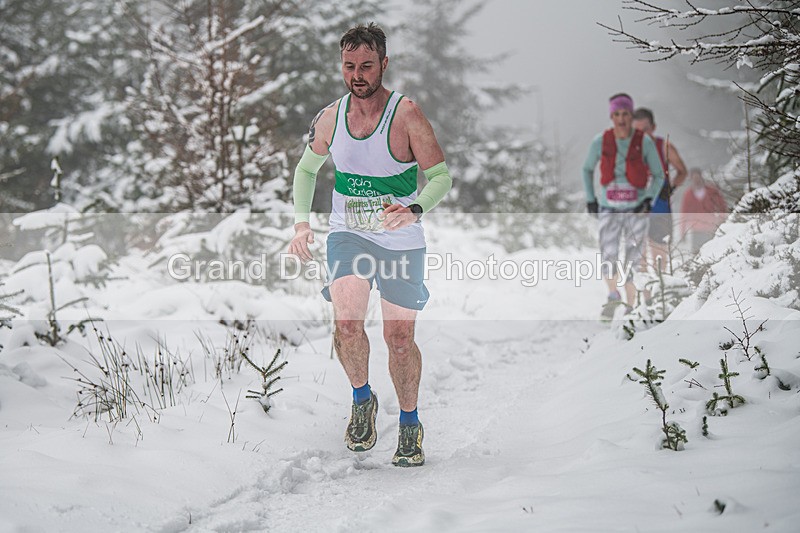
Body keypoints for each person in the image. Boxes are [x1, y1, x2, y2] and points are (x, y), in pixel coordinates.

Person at [288, 23, 452, 467]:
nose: (357, 74)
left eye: (366, 65)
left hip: (400, 240)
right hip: (349, 233)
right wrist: (301, 226)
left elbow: (440, 177)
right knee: (346, 324)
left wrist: (414, 209)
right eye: (349, 66)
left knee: (399, 338)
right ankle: (363, 400)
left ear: (384, 63)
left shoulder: (407, 115)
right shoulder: (330, 117)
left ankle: (410, 424)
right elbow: (306, 171)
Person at [582, 93, 665, 320]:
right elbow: (587, 169)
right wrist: (591, 199)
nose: (621, 119)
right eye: (616, 114)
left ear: (631, 115)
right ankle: (612, 297)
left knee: (633, 258)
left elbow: (659, 175)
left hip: (636, 208)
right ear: (611, 116)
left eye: (625, 114)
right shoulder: (600, 141)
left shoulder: (643, 142)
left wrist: (649, 199)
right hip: (608, 207)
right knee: (608, 254)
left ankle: (631, 306)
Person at [632, 108, 688, 274]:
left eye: (645, 129)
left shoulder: (664, 147)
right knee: (638, 262)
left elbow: (682, 171)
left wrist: (670, 188)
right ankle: (645, 299)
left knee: (659, 260)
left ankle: (660, 296)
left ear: (653, 127)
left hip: (660, 211)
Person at [680, 168, 727, 253]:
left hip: (711, 228)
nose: (696, 181)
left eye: (698, 178)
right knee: (696, 254)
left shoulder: (712, 191)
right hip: (696, 230)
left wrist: (722, 222)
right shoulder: (688, 194)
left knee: (712, 253)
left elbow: (722, 207)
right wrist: (683, 232)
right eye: (694, 179)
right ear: (691, 180)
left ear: (701, 178)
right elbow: (684, 214)